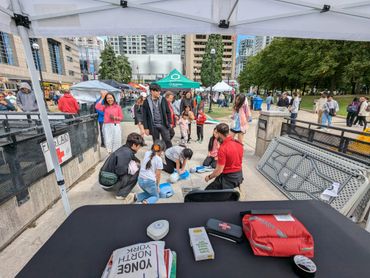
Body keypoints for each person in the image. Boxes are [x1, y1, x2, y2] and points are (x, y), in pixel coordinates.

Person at [99, 132, 144, 202]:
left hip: (106, 178)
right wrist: (132, 169)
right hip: (108, 183)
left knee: (135, 165)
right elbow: (120, 171)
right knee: (136, 169)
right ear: (134, 145)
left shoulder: (125, 148)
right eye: (139, 146)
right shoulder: (126, 153)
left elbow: (134, 158)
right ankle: (121, 194)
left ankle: (120, 188)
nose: (139, 148)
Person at [204, 123, 244, 190]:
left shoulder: (223, 148)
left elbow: (218, 171)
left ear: (219, 134)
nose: (215, 135)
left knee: (206, 192)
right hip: (239, 175)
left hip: (229, 178)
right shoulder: (238, 143)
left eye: (216, 133)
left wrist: (209, 177)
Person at [142, 83, 172, 148]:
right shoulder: (146, 101)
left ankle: (170, 154)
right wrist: (146, 128)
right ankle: (156, 155)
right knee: (156, 142)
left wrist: (170, 122)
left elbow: (168, 112)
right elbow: (144, 116)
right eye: (157, 91)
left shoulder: (163, 99)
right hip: (153, 125)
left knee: (167, 140)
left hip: (163, 124)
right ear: (152, 91)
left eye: (159, 91)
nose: (159, 92)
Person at [136, 140, 166, 204]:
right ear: (161, 151)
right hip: (149, 182)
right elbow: (158, 175)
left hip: (140, 180)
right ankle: (144, 203)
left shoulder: (147, 153)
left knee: (150, 193)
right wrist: (157, 186)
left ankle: (135, 197)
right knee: (156, 196)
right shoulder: (159, 159)